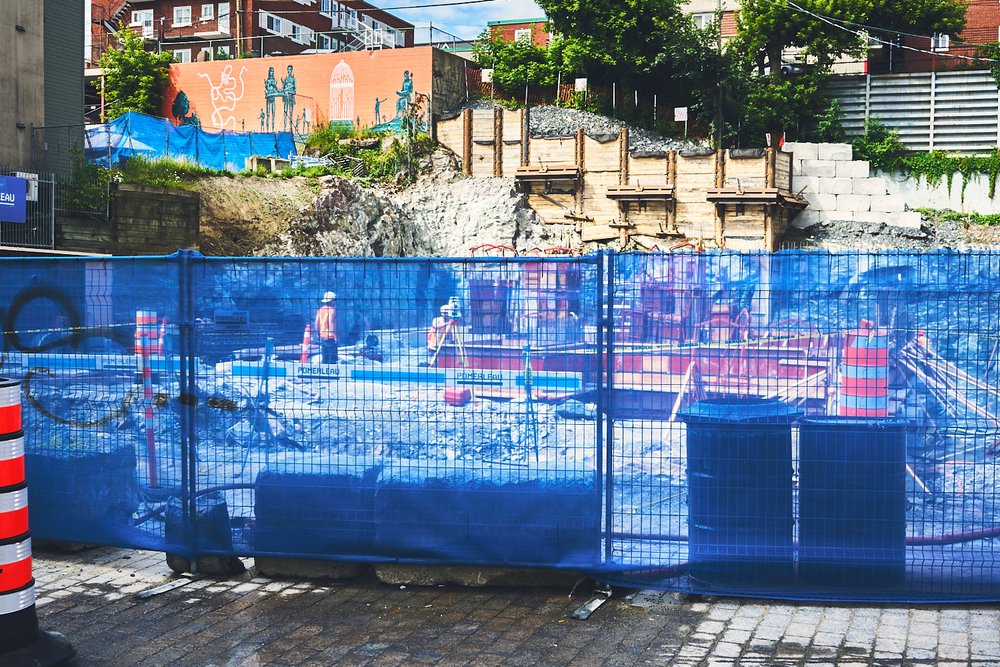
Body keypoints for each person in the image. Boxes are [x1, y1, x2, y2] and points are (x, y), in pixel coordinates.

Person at [315, 291, 338, 364]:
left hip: (322, 336)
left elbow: (316, 323)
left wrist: (318, 334)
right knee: (332, 358)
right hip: (330, 337)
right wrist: (335, 336)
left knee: (325, 358)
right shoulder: (332, 311)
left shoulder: (320, 310)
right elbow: (331, 322)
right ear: (332, 301)